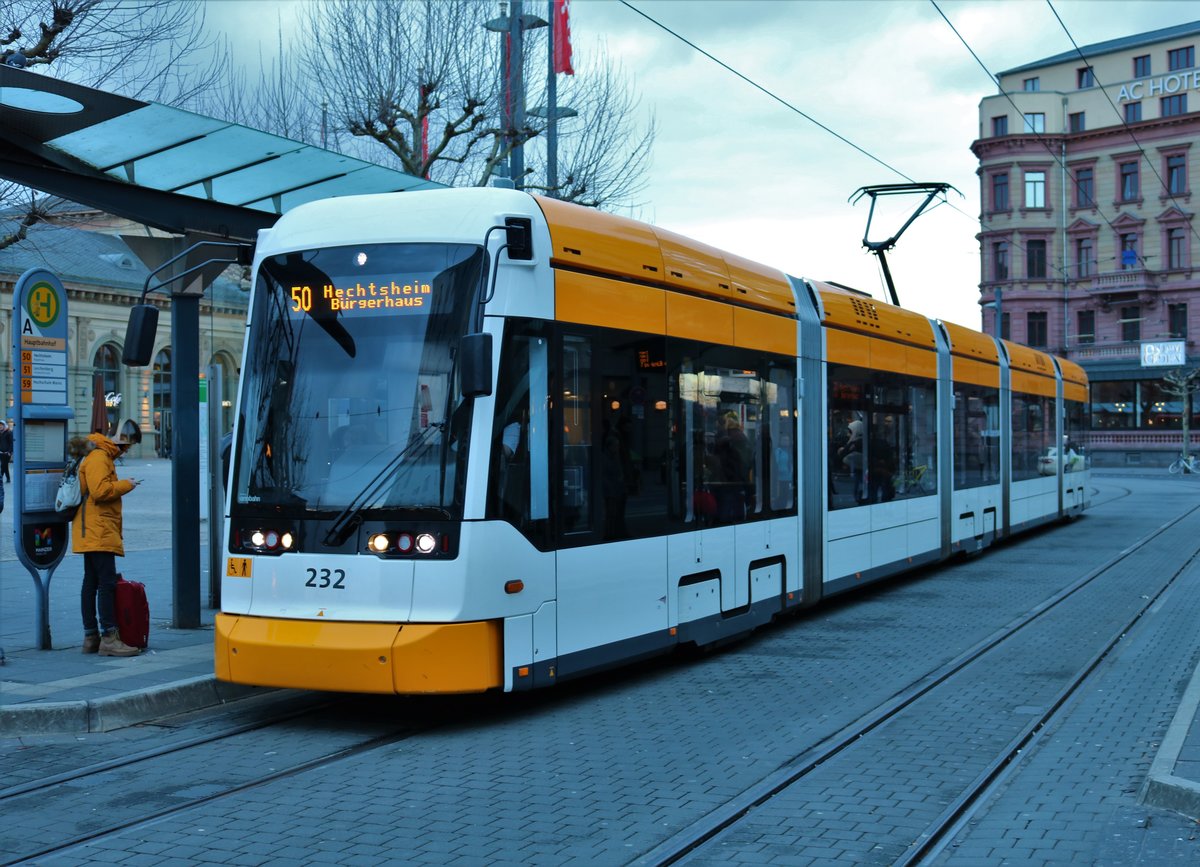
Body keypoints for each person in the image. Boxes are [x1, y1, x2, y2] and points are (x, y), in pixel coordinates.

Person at [73, 419, 144, 657]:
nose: (127, 451)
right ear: (120, 440)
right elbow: (100, 491)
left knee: (91, 581)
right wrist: (126, 484)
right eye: (128, 446)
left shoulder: (99, 455)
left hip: (94, 528)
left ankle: (91, 637)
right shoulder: (99, 457)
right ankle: (109, 638)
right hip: (98, 528)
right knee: (106, 583)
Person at [0, 419, 12, 483]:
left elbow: (11, 443)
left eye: (1, 425)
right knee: (4, 466)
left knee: (3, 465)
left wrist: (10, 451)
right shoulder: (0, 433)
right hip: (1, 453)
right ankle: (8, 478)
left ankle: (1, 478)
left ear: (4, 425)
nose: (0, 426)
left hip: (7, 453)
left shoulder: (8, 432)